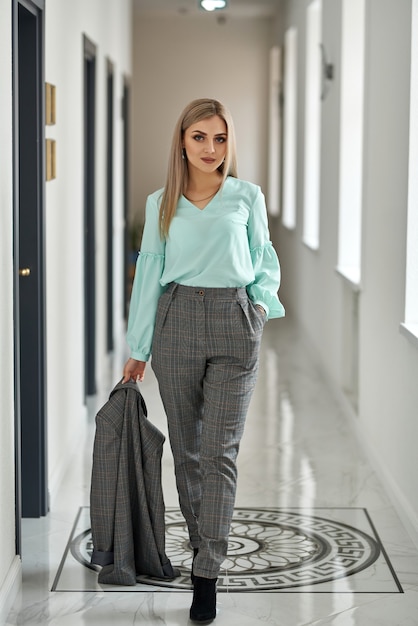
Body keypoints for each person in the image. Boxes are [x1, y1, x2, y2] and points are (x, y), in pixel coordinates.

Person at [122, 98, 285, 623]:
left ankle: (207, 573)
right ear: (182, 140)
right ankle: (201, 545)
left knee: (220, 453)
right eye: (199, 137)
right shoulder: (160, 202)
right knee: (188, 451)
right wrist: (137, 348)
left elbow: (264, 259)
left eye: (219, 139)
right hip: (176, 322)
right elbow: (149, 274)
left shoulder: (246, 196)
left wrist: (257, 308)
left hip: (235, 322)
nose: (210, 149)